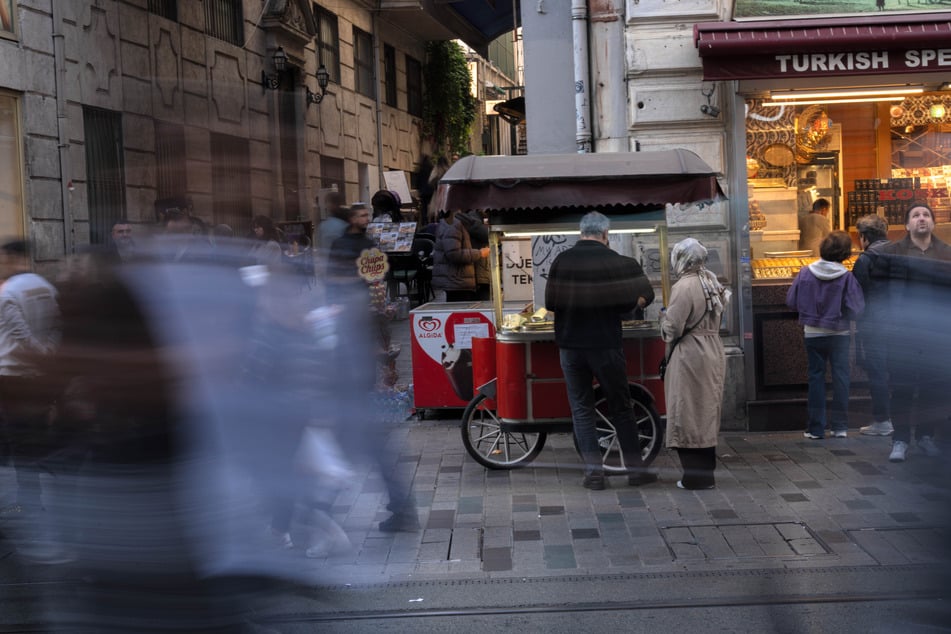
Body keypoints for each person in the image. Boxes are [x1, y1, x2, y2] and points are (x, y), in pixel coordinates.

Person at [544, 211, 656, 490]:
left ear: (581, 233)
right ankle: (636, 471)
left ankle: (594, 474)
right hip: (606, 344)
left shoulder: (561, 261)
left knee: (582, 409)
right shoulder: (621, 263)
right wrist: (633, 303)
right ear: (606, 234)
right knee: (621, 407)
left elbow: (551, 303)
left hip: (571, 346)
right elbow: (645, 295)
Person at [328, 204, 418, 532]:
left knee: (353, 445)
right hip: (354, 379)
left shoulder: (350, 302)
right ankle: (399, 507)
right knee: (362, 446)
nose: (366, 220)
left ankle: (316, 509)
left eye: (368, 216)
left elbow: (375, 281)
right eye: (361, 216)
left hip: (352, 382)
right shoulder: (343, 250)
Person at [875, 201, 951, 462]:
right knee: (902, 388)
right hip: (902, 333)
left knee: (935, 388)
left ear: (932, 223)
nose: (922, 219)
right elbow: (879, 291)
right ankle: (900, 439)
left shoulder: (946, 253)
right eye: (916, 215)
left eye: (926, 215)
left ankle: (926, 436)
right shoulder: (892, 252)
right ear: (907, 224)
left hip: (937, 334)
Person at [0, 241, 61, 552]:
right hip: (36, 378)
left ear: (14, 257)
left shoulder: (7, 292)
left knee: (18, 443)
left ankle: (28, 503)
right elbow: (54, 328)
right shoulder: (45, 287)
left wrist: (39, 355)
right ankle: (30, 499)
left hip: (11, 377)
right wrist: (48, 356)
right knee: (28, 441)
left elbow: (21, 336)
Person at [661, 238, 732, 490]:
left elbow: (673, 327)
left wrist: (663, 322)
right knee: (706, 412)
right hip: (713, 348)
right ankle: (707, 474)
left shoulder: (684, 286)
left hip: (691, 353)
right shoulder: (711, 280)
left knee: (687, 412)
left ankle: (694, 477)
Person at [786, 231, 865, 440]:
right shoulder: (847, 277)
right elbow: (857, 308)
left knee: (816, 378)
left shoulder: (804, 273)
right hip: (840, 332)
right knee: (841, 378)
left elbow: (791, 301)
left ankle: (815, 428)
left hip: (813, 333)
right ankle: (840, 427)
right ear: (846, 254)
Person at [852, 214, 893, 437]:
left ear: (864, 237)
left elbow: (856, 294)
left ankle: (883, 420)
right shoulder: (901, 253)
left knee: (877, 372)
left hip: (875, 324)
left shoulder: (865, 260)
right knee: (898, 371)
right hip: (902, 323)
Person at [431, 208, 488, 302]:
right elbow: (454, 253)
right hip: (457, 280)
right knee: (461, 313)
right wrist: (480, 253)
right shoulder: (454, 224)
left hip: (457, 280)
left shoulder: (454, 222)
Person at [457, 209, 490, 300]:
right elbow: (488, 235)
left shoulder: (474, 218)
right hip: (478, 271)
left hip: (477, 271)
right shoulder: (473, 219)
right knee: (482, 303)